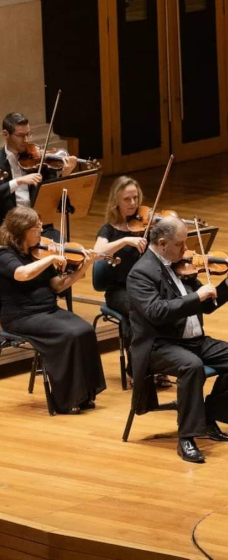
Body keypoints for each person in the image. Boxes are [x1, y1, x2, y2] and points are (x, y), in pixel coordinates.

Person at [127, 217, 228, 463]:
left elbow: (208, 306)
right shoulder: (141, 273)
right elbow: (156, 312)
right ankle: (187, 438)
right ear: (162, 243)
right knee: (191, 366)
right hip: (159, 343)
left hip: (192, 340)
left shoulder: (182, 265)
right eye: (180, 244)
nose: (186, 250)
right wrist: (196, 298)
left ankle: (210, 416)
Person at [0, 207, 105, 414]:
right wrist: (50, 259)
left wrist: (84, 267)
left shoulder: (39, 252)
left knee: (85, 330)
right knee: (69, 334)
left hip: (47, 310)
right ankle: (66, 399)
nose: (41, 232)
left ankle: (85, 394)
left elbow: (57, 286)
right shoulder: (5, 255)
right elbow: (21, 274)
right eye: (36, 228)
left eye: (40, 226)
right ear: (21, 230)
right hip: (21, 316)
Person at [93, 176, 148, 384]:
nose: (133, 203)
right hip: (119, 291)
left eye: (136, 197)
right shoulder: (109, 229)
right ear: (116, 201)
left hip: (144, 287)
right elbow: (97, 253)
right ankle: (138, 369)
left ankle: (155, 362)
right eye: (127, 199)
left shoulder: (146, 224)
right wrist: (125, 240)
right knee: (140, 311)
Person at [1, 112, 77, 235]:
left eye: (28, 134)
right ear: (6, 134)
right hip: (10, 229)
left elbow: (53, 194)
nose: (26, 140)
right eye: (20, 135)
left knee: (60, 244)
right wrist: (18, 181)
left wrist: (65, 175)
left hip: (40, 226)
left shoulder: (39, 160)